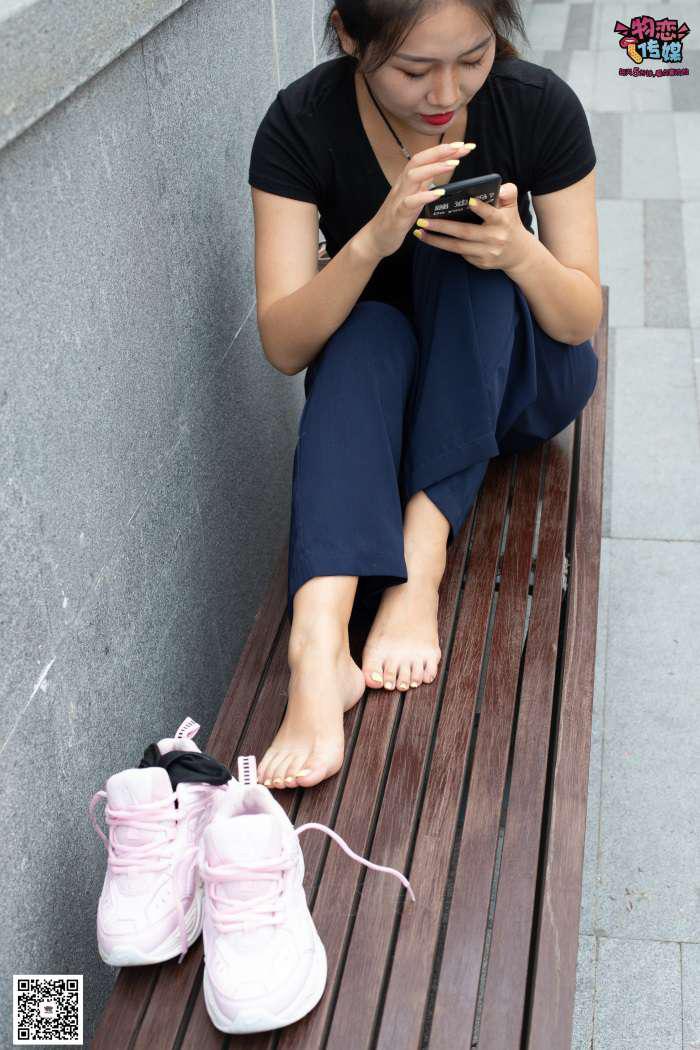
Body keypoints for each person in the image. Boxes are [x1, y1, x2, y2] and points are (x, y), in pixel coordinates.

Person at [246, 0, 601, 792]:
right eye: (414, 69)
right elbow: (285, 345)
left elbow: (580, 320)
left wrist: (517, 251)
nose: (446, 91)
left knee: (466, 262)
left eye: (473, 58)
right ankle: (318, 647)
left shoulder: (535, 106)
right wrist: (371, 241)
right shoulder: (302, 124)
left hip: (517, 381)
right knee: (364, 330)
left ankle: (419, 560)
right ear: (349, 34)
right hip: (392, 399)